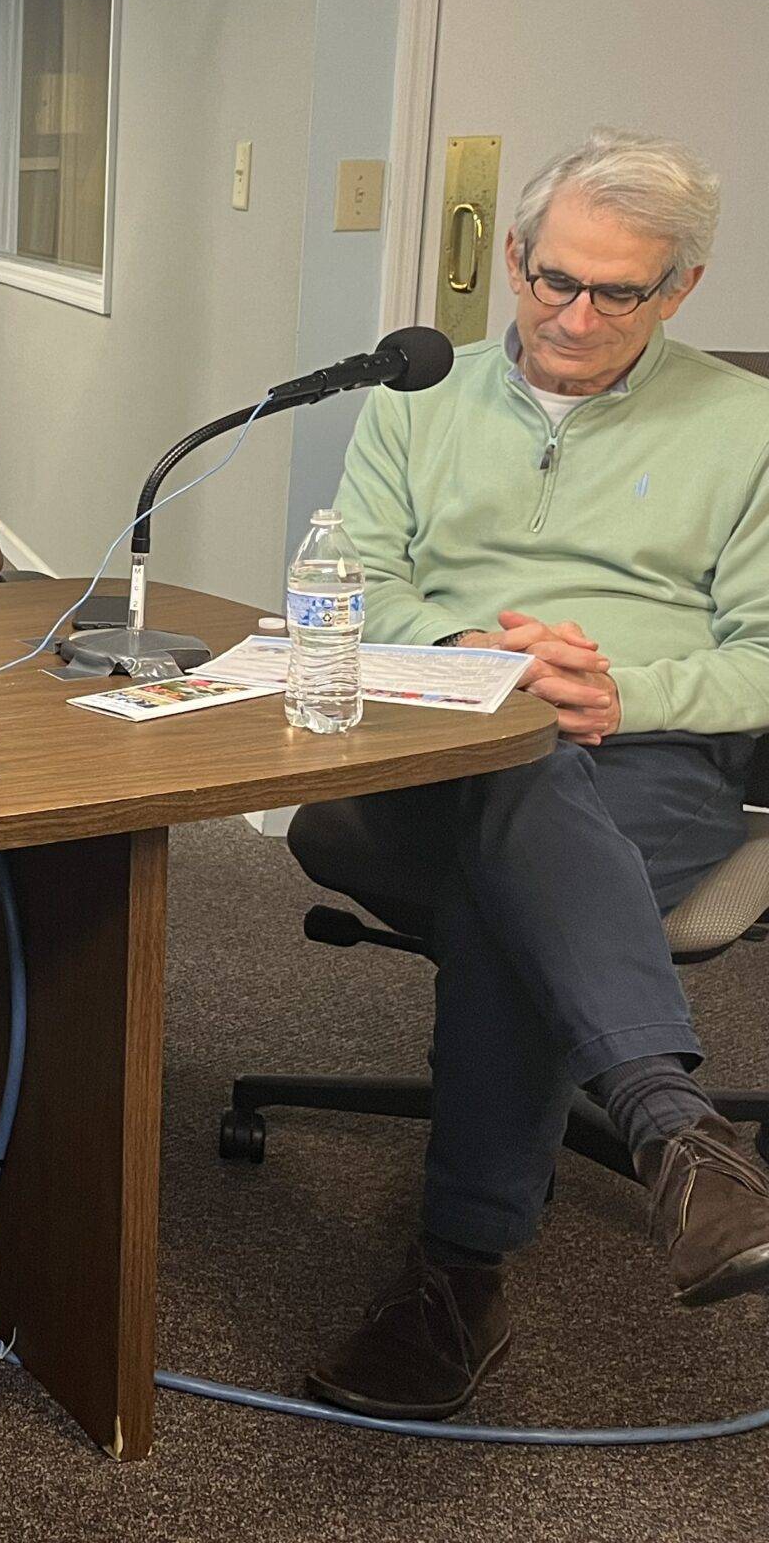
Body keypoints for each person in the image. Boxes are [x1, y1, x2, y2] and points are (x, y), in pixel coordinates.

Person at [300, 129, 769, 1421]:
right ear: (512, 258)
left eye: (618, 293)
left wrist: (622, 692)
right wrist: (469, 654)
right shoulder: (416, 397)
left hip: (652, 757)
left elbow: (764, 653)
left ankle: (458, 1279)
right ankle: (670, 1120)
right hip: (435, 739)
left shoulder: (748, 425)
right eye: (554, 279)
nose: (573, 316)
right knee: (516, 760)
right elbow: (360, 586)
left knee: (514, 854)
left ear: (680, 288)